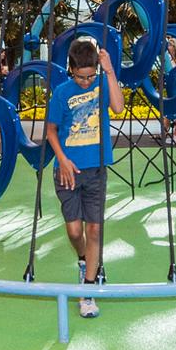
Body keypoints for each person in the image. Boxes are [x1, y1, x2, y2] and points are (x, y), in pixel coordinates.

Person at [45, 39, 123, 319]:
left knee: (94, 231)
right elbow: (51, 131)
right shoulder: (62, 93)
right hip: (67, 171)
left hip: (96, 170)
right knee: (75, 232)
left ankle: (88, 291)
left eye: (91, 76)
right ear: (71, 70)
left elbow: (118, 107)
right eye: (81, 76)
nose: (86, 81)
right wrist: (62, 160)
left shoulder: (102, 86)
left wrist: (109, 70)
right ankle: (84, 259)